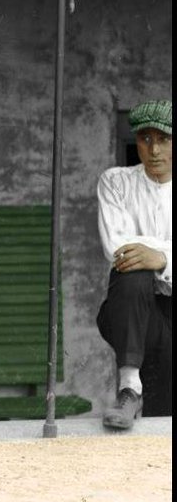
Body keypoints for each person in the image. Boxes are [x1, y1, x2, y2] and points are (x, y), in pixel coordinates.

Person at [97, 99, 172, 429]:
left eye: (164, 139)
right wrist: (160, 256)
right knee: (131, 268)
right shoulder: (115, 182)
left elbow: (139, 247)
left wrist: (163, 257)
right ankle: (129, 388)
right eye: (145, 138)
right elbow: (119, 248)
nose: (154, 150)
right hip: (135, 316)